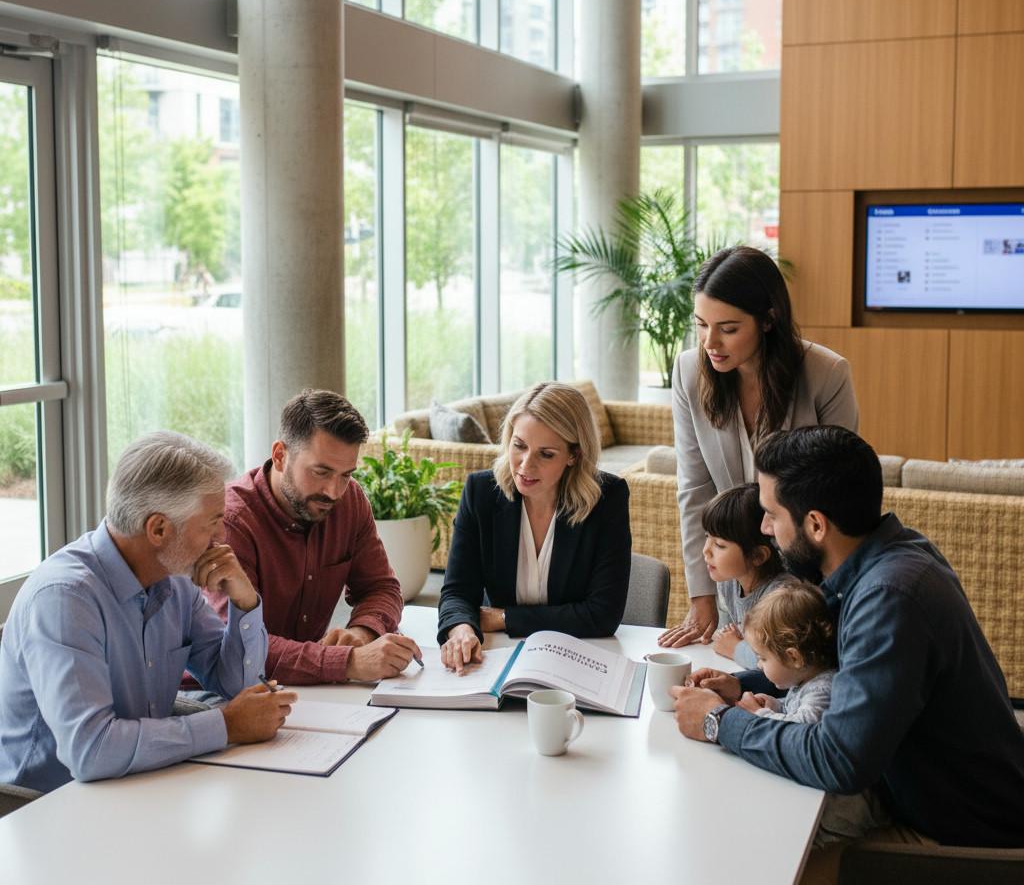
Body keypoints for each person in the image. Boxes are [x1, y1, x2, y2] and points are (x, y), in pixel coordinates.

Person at [671, 426, 1024, 881]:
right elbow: (834, 665)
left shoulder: (888, 597)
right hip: (926, 790)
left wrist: (720, 721)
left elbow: (837, 759)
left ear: (815, 525)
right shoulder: (889, 554)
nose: (763, 529)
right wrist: (743, 684)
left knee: (757, 860)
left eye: (771, 515)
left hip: (961, 832)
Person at [0, 431, 295, 793]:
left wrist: (245, 601)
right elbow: (90, 751)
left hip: (137, 785)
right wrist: (226, 726)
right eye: (213, 521)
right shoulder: (65, 599)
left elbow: (238, 685)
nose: (222, 535)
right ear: (158, 529)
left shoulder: (175, 580)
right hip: (47, 808)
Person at [659, 245, 858, 649]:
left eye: (728, 328)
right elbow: (695, 487)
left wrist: (817, 596)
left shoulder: (826, 374)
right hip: (739, 575)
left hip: (810, 571)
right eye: (701, 324)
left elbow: (838, 498)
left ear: (768, 320)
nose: (710, 342)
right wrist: (702, 596)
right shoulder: (689, 371)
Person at [208, 389, 420, 685]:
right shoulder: (230, 523)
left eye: (345, 475)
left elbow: (381, 587)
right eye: (321, 472)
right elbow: (238, 650)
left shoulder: (350, 501)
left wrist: (362, 632)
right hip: (222, 693)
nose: (334, 492)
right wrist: (348, 662)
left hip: (307, 692)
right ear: (280, 456)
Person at [437, 381, 631, 672]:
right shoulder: (481, 492)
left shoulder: (607, 498)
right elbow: (457, 592)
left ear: (574, 455)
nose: (526, 465)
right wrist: (462, 629)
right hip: (500, 656)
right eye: (519, 446)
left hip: (578, 660)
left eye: (546, 454)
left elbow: (602, 615)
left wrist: (505, 618)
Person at [738, 581, 888, 847]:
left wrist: (759, 714)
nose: (759, 666)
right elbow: (794, 709)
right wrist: (774, 705)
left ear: (794, 657)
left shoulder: (824, 688)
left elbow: (801, 732)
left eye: (762, 658)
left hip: (840, 814)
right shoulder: (807, 680)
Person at [699, 482, 794, 669]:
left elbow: (785, 664)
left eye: (719, 545)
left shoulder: (781, 596)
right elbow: (725, 637)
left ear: (758, 556)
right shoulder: (729, 583)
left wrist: (736, 649)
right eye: (707, 537)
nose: (706, 551)